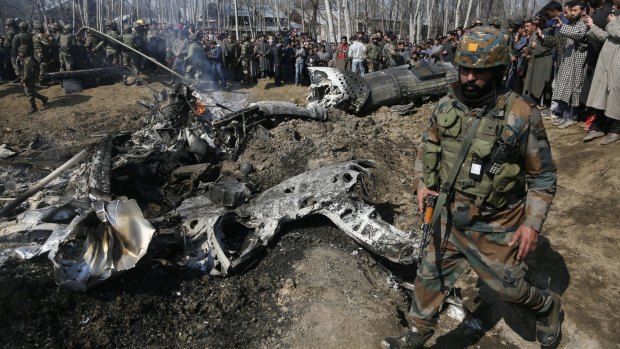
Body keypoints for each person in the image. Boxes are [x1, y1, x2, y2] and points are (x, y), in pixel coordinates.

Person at [382, 26, 562, 349]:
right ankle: (417, 334)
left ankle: (547, 306)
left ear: (496, 71)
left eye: (478, 72)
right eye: (464, 69)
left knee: (510, 289)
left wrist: (532, 226)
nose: (468, 78)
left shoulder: (521, 115)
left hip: (496, 222)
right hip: (449, 217)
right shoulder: (445, 107)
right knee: (429, 276)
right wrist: (422, 185)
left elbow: (543, 177)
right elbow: (426, 150)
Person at [583, 4, 620, 144]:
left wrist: (612, 22)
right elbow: (608, 37)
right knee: (600, 91)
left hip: (617, 61)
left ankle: (616, 128)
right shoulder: (617, 16)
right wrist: (592, 26)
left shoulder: (614, 19)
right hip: (606, 60)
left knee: (617, 93)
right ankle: (598, 124)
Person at [18, 45, 48, 114]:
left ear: (23, 52)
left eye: (20, 52)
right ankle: (43, 98)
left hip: (30, 80)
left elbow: (27, 74)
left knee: (29, 92)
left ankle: (33, 107)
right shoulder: (28, 59)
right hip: (32, 78)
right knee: (31, 92)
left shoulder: (28, 61)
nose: (19, 54)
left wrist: (23, 80)